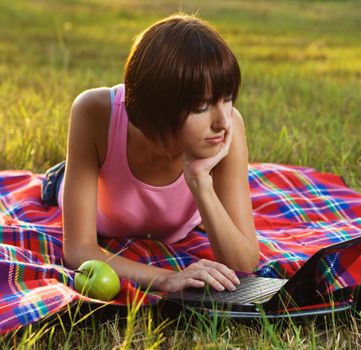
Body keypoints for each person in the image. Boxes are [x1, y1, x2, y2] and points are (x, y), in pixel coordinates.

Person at [41, 13, 260, 293]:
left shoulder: (228, 128)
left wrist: (201, 183)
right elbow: (77, 249)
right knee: (59, 180)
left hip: (165, 216)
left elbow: (244, 264)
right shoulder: (94, 112)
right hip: (94, 204)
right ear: (157, 108)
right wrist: (167, 278)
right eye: (201, 107)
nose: (222, 121)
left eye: (227, 99)